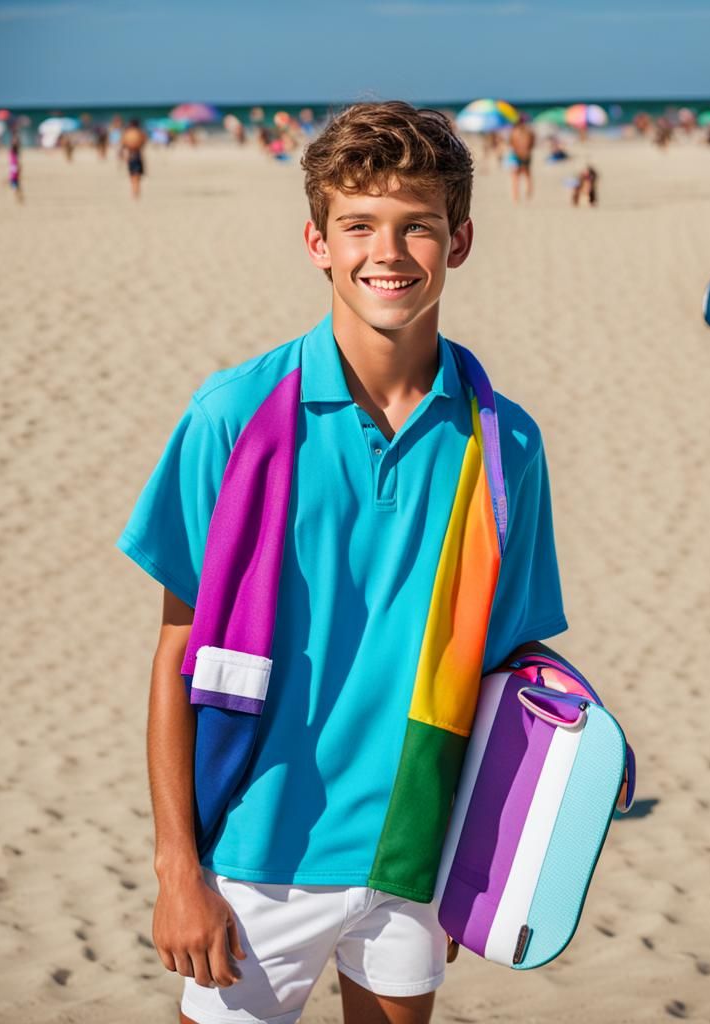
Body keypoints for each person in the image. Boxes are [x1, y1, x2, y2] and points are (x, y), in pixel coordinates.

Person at [116, 101, 570, 1024]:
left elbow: (503, 667)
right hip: (256, 855)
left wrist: (475, 858)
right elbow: (176, 653)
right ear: (318, 242)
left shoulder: (505, 444)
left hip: (411, 851)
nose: (388, 253)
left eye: (419, 228)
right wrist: (178, 872)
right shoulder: (233, 417)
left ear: (462, 239)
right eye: (359, 225)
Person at [507, 115, 535, 201]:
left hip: (516, 155)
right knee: (526, 175)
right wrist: (527, 151)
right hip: (525, 155)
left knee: (516, 177)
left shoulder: (514, 132)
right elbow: (532, 143)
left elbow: (511, 144)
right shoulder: (529, 132)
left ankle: (516, 197)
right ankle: (527, 195)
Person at [120, 118, 147, 199]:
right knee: (137, 176)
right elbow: (143, 143)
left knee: (132, 175)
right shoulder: (140, 132)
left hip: (130, 155)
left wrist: (121, 155)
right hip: (137, 154)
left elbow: (123, 144)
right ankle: (136, 191)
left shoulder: (127, 133)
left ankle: (133, 191)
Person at [7, 137, 23, 203]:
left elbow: (15, 162)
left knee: (15, 183)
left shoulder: (15, 151)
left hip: (14, 169)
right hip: (14, 169)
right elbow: (14, 162)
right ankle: (17, 196)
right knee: (15, 184)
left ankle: (17, 196)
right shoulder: (13, 151)